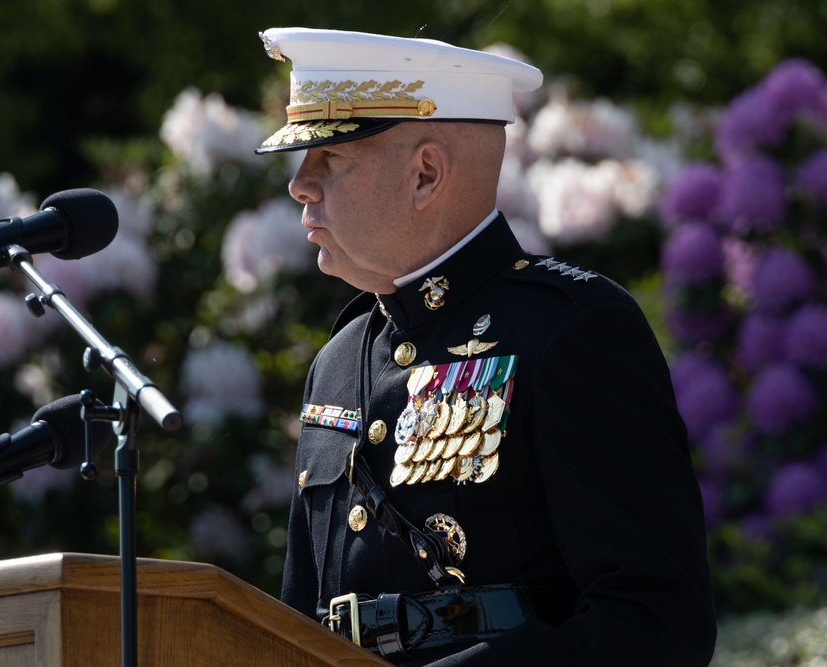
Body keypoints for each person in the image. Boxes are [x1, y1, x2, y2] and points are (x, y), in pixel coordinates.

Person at [254, 27, 717, 666]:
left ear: (425, 174)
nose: (299, 185)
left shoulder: (571, 330)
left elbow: (655, 621)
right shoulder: (339, 360)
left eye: (330, 159)